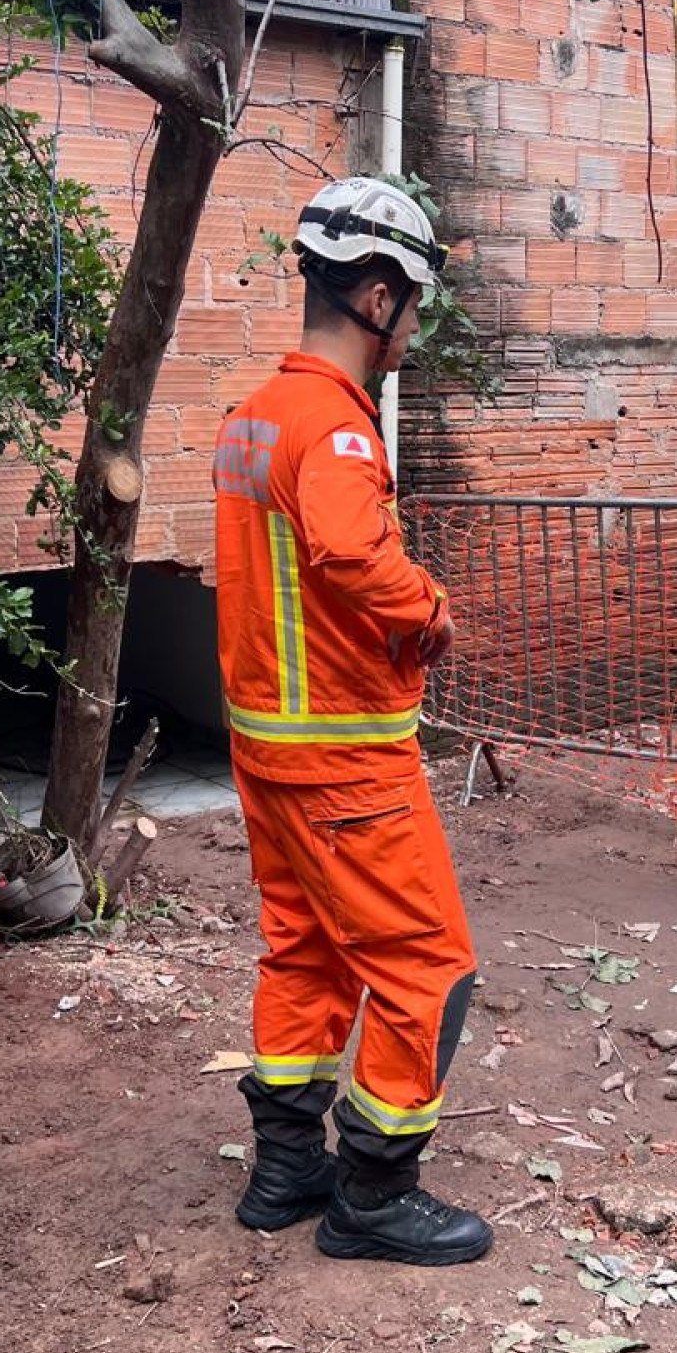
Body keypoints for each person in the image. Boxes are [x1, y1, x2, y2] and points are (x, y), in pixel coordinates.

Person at [213, 176, 492, 1265]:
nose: (412, 329)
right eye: (413, 305)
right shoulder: (333, 425)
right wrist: (431, 609)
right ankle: (375, 1191)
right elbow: (349, 551)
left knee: (307, 951)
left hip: (269, 748)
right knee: (429, 964)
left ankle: (287, 1167)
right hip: (344, 758)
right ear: (378, 297)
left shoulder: (253, 416)